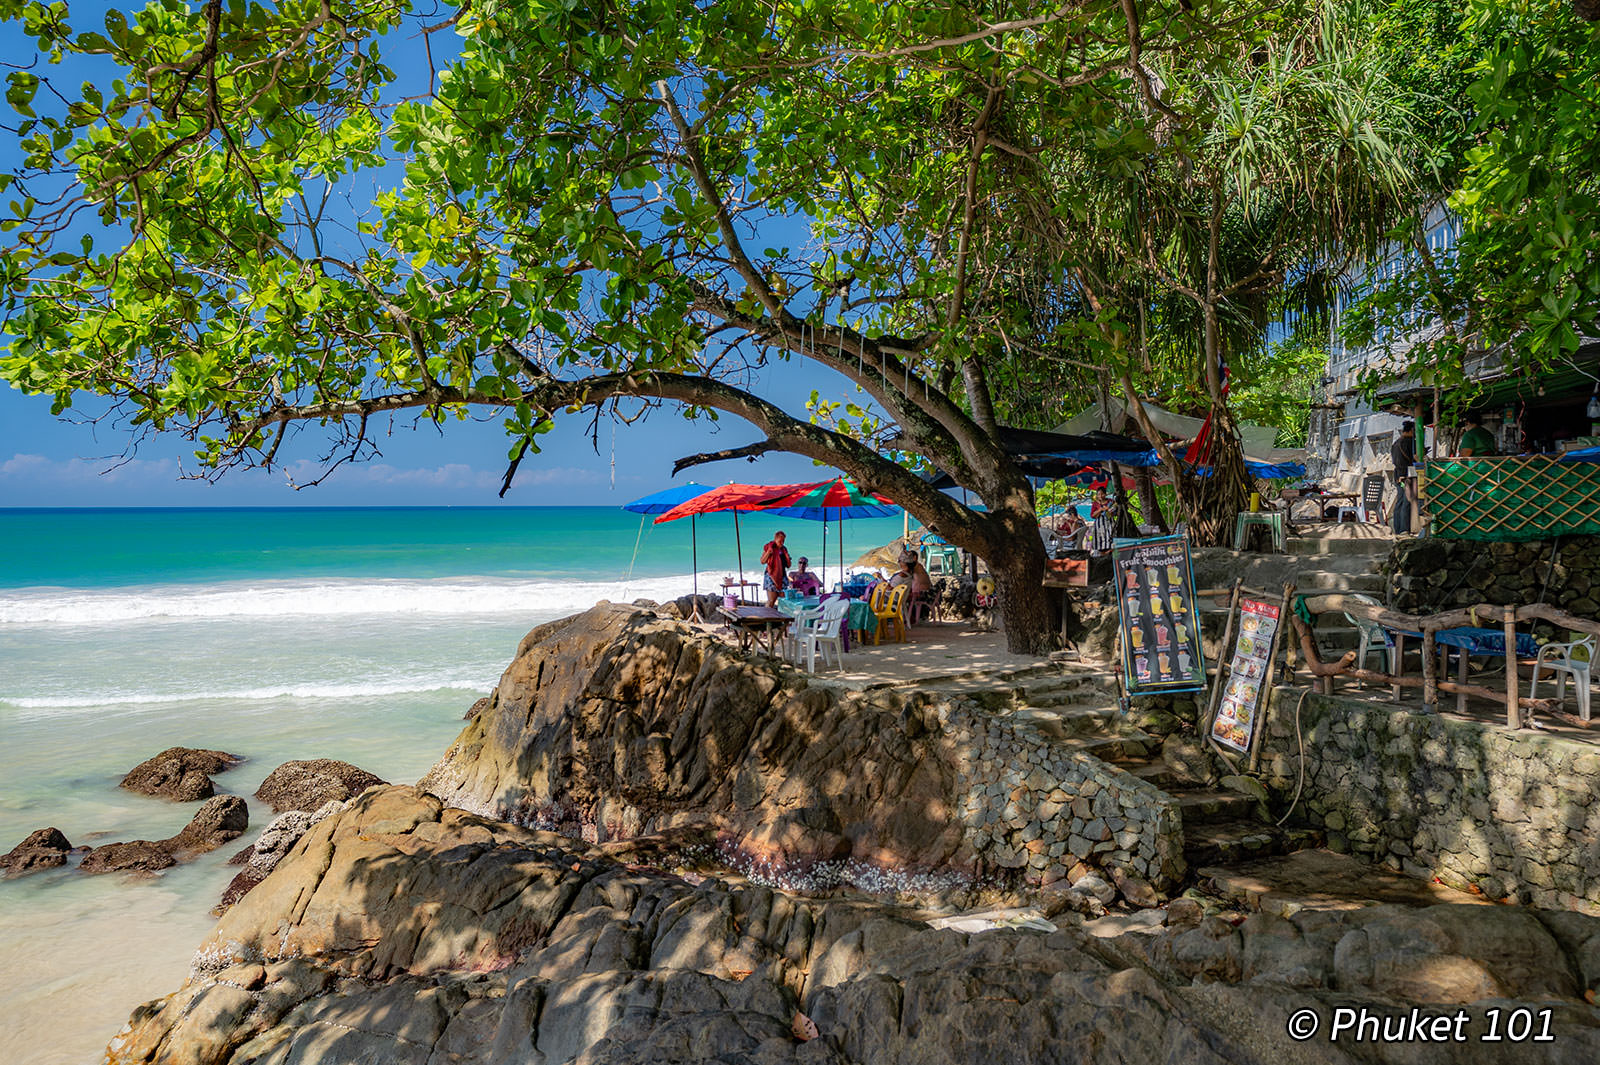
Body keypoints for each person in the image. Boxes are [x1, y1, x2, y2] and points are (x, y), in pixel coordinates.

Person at [1390, 421, 1417, 535]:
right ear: (1411, 430)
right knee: (1407, 501)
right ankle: (1404, 529)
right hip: (1408, 475)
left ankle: (1397, 528)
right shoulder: (1410, 443)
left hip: (1398, 475)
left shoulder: (1396, 443)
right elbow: (1416, 457)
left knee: (1400, 501)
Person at [760, 530, 790, 608]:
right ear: (775, 539)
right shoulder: (769, 547)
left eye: (783, 541)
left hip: (782, 576)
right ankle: (767, 618)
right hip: (771, 575)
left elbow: (788, 565)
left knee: (783, 599)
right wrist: (768, 553)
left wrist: (787, 557)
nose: (782, 543)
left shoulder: (784, 550)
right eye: (780, 541)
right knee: (771, 600)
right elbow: (762, 561)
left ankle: (781, 618)